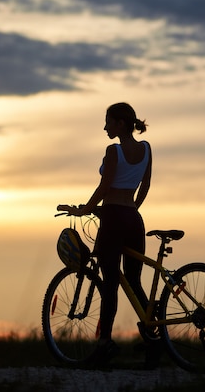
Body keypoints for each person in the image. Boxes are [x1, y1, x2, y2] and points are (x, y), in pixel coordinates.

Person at [58, 102, 152, 365]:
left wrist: (83, 211)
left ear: (120, 123)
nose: (105, 127)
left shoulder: (114, 151)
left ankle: (104, 344)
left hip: (113, 219)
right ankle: (153, 341)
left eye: (108, 122)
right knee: (134, 281)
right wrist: (132, 208)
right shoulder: (146, 149)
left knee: (110, 284)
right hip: (134, 219)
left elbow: (104, 187)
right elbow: (145, 184)